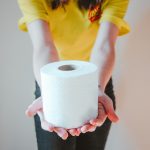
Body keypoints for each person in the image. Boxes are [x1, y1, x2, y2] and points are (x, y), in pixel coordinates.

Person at [17, 0, 130, 149]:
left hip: (96, 81)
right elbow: (44, 46)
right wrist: (51, 95)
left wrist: (96, 90)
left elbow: (104, 46)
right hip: (53, 85)